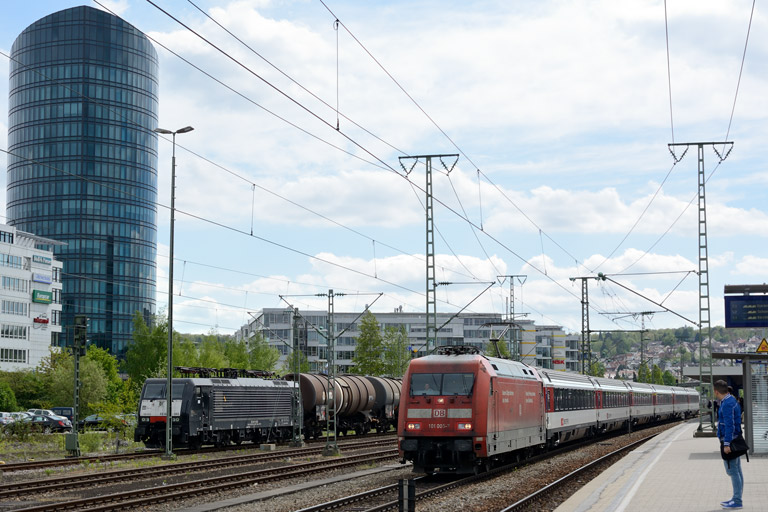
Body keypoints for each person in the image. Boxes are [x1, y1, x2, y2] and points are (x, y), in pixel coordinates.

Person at [715, 380, 744, 509]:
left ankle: (737, 500)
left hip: (730, 441)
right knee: (737, 470)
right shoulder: (731, 400)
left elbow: (729, 425)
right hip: (734, 439)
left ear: (716, 391)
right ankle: (736, 498)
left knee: (732, 471)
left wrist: (726, 444)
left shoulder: (727, 403)